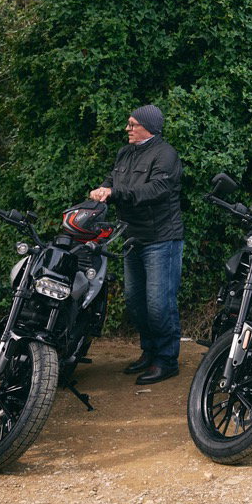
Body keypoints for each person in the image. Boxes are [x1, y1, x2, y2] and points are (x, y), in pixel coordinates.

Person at [89, 104, 184, 385]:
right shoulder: (125, 152)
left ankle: (167, 360)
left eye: (132, 124)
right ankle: (149, 351)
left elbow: (156, 190)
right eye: (128, 124)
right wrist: (104, 189)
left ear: (149, 127)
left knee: (159, 304)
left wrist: (116, 193)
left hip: (161, 239)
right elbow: (112, 179)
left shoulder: (166, 154)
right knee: (135, 301)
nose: (127, 129)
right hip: (132, 237)